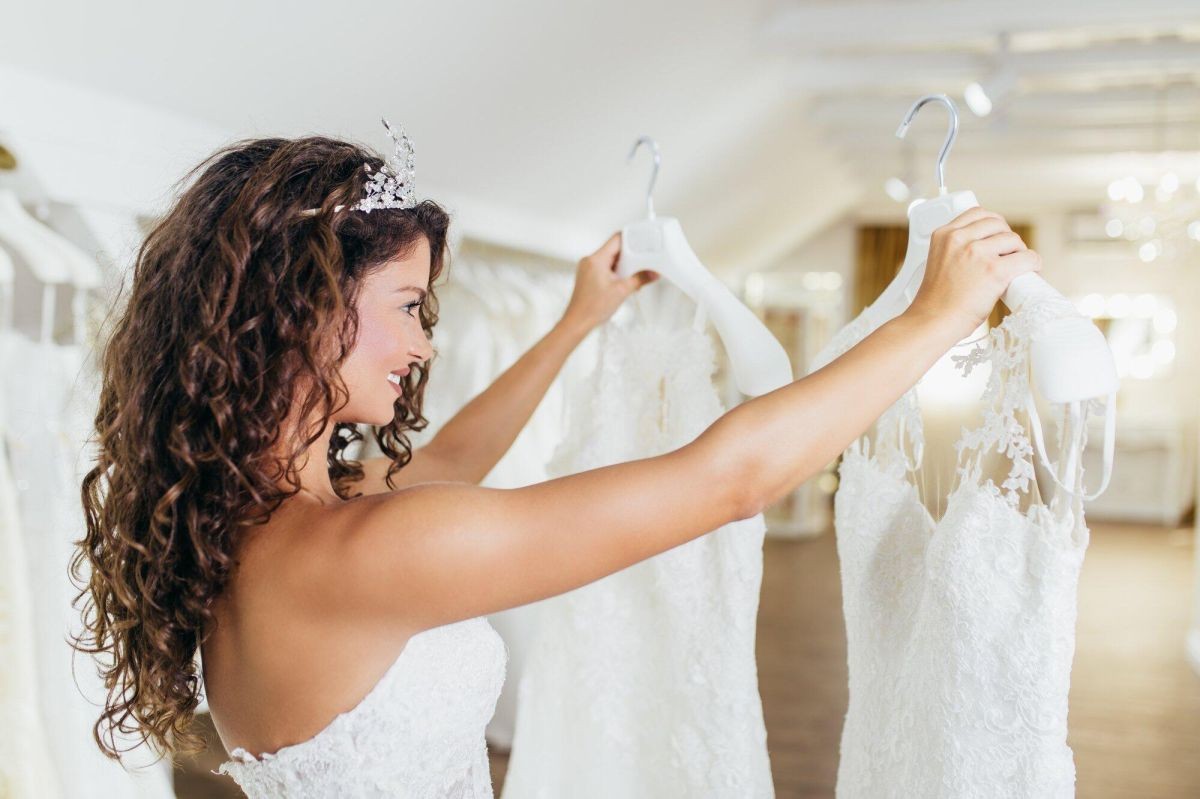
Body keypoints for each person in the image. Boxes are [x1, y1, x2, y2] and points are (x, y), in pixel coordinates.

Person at [72, 131, 1039, 794]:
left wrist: (580, 320)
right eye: (409, 304)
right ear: (309, 304)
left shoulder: (261, 521)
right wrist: (935, 317)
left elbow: (453, 457)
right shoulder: (364, 550)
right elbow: (725, 482)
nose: (423, 344)